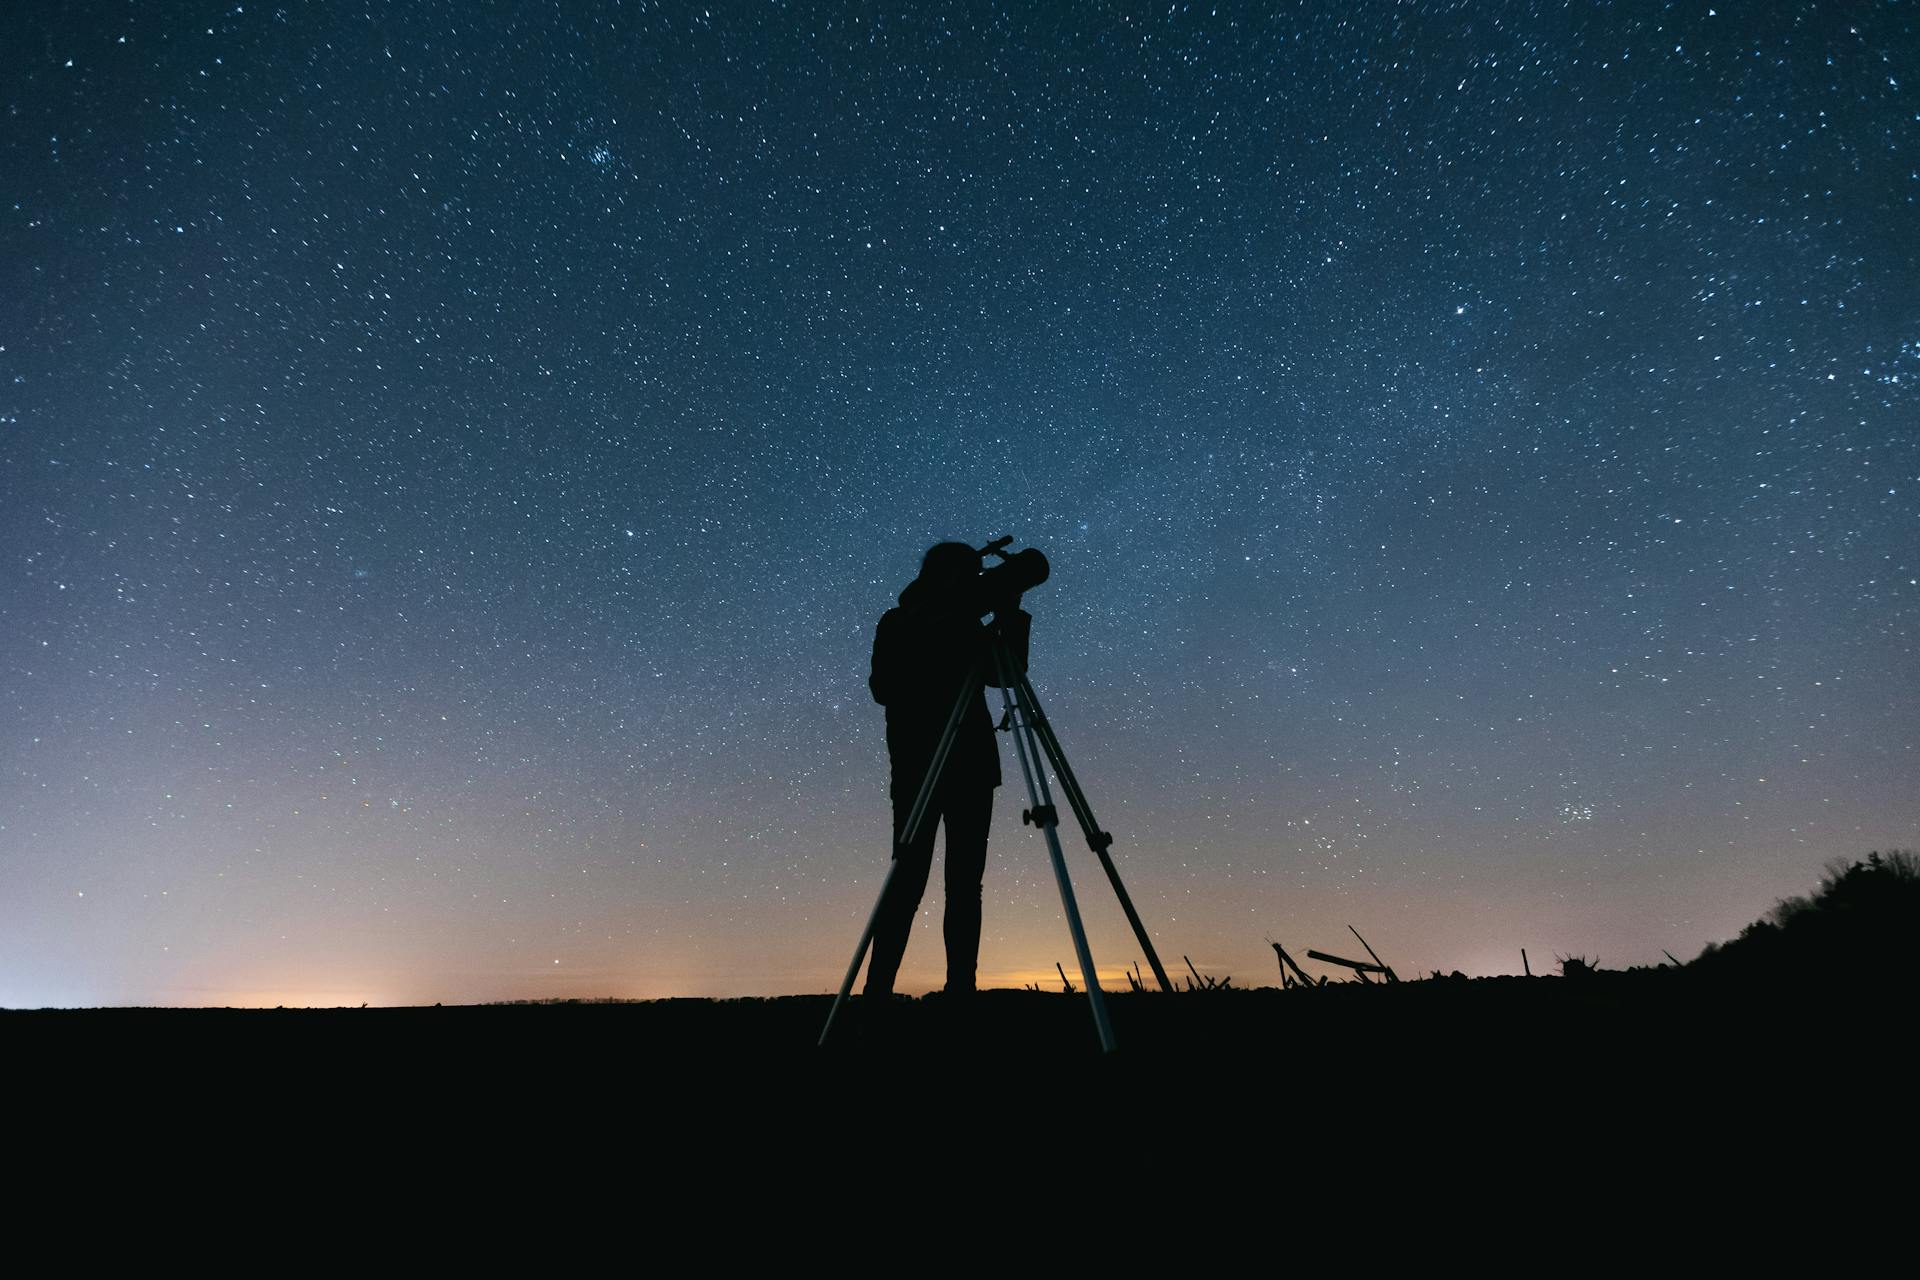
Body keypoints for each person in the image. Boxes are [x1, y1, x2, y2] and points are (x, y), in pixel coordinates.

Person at [864, 541, 1031, 999]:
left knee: (964, 885)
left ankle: (962, 989)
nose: (974, 582)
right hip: (919, 766)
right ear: (941, 575)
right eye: (967, 574)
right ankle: (876, 991)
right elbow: (884, 687)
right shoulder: (899, 622)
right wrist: (940, 633)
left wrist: (1010, 615)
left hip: (972, 768)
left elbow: (1008, 675)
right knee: (908, 880)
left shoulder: (972, 625)